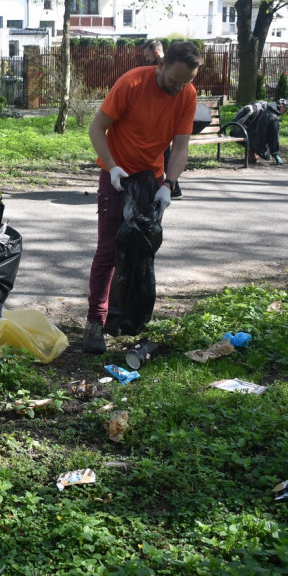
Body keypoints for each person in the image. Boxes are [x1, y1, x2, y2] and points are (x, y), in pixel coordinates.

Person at [83, 40, 202, 354]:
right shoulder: (131, 83)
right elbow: (96, 129)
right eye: (173, 81)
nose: (178, 89)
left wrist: (169, 185)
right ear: (160, 65)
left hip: (151, 182)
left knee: (141, 250)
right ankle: (95, 321)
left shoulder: (187, 94)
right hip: (118, 178)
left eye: (185, 82)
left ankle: (130, 319)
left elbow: (180, 147)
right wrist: (111, 167)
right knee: (109, 251)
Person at [142, 39, 184, 200]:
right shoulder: (171, 68)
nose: (146, 59)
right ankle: (174, 188)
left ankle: (172, 188)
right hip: (164, 118)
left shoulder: (161, 71)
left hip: (162, 119)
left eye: (147, 55)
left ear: (157, 53)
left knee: (163, 152)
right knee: (164, 152)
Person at [231, 98, 288, 165]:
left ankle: (252, 150)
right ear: (281, 106)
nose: (284, 113)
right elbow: (273, 137)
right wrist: (275, 155)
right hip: (246, 135)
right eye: (285, 110)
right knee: (266, 154)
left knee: (264, 150)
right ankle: (252, 150)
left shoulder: (264, 105)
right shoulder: (273, 117)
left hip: (237, 131)